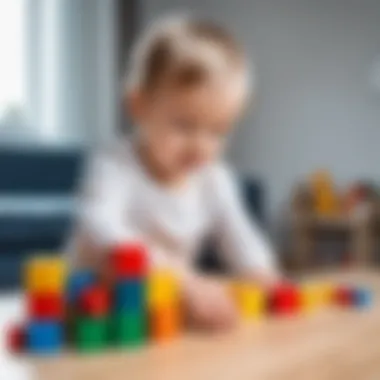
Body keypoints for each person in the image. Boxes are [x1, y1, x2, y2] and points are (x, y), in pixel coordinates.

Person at [69, 15, 280, 330]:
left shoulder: (214, 179)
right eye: (184, 126)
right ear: (138, 106)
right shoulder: (114, 166)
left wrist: (263, 273)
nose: (200, 146)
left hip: (155, 309)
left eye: (218, 131)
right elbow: (101, 225)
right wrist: (181, 279)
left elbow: (239, 234)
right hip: (93, 306)